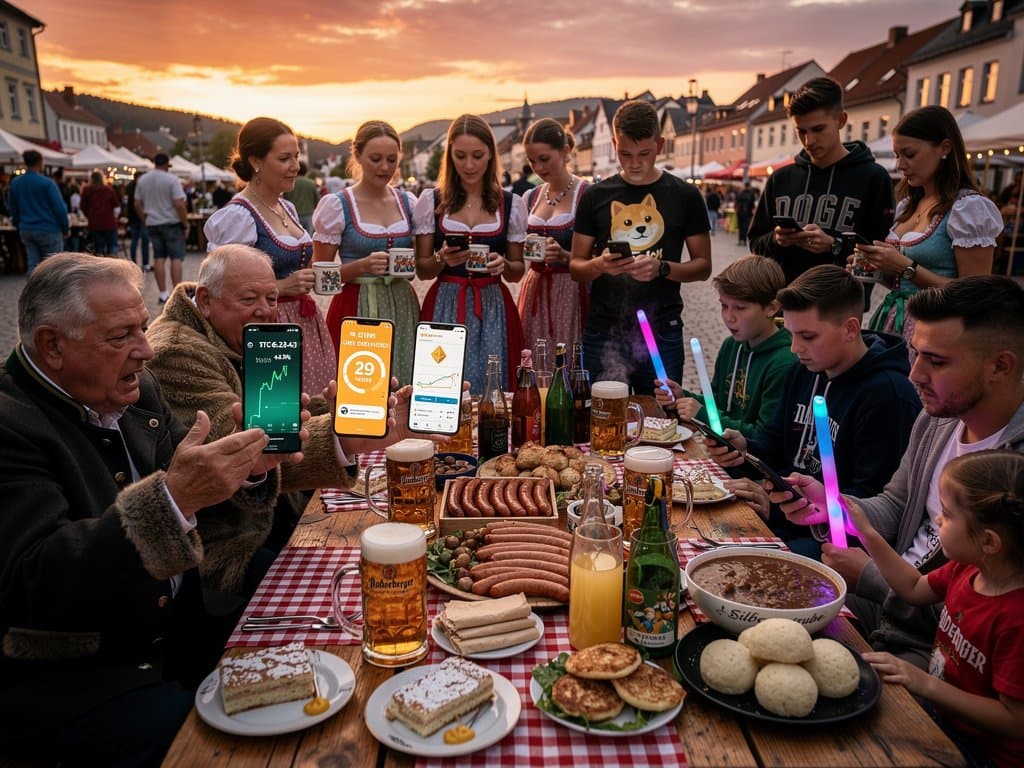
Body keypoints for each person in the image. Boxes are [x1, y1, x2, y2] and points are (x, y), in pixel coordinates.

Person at [0, 253, 291, 765]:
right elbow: (35, 581)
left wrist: (248, 466)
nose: (145, 348)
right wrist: (174, 498)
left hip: (183, 629)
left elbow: (202, 494)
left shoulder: (137, 390)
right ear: (52, 345)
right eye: (121, 337)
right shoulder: (11, 425)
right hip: (85, 678)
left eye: (142, 326)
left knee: (317, 636)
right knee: (234, 751)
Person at [147, 244, 434, 597]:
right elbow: (244, 450)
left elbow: (279, 416)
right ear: (205, 300)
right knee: (361, 584)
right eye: (250, 299)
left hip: (275, 519)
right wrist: (342, 434)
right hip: (228, 550)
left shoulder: (229, 333)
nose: (266, 311)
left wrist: (347, 409)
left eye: (271, 298)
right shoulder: (177, 351)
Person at [775, 275, 1024, 669]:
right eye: (915, 353)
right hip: (883, 607)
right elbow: (895, 503)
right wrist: (834, 506)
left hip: (935, 649)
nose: (915, 375)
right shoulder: (938, 417)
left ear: (1001, 365)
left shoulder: (1013, 472)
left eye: (937, 361)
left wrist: (871, 576)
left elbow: (976, 607)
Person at [708, 265, 920, 557]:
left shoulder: (888, 396)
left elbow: (874, 509)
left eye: (808, 336)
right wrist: (742, 450)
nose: (795, 348)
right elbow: (771, 447)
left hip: (835, 546)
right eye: (792, 333)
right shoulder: (803, 372)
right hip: (785, 518)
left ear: (849, 329)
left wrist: (776, 510)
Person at [847, 450, 1024, 768]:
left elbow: (1014, 720)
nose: (938, 520)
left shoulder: (1015, 619)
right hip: (943, 715)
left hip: (983, 752)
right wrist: (867, 533)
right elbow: (913, 588)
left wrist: (925, 683)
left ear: (989, 541)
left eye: (947, 513)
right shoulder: (966, 569)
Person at [570, 99, 711, 394]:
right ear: (613, 144)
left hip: (661, 329)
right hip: (604, 329)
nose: (634, 163)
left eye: (644, 154)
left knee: (662, 421)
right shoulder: (596, 196)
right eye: (625, 154)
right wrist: (599, 265)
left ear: (660, 145)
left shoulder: (685, 195)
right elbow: (576, 267)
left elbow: (703, 267)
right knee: (601, 421)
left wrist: (662, 268)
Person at [205, 117, 335, 394]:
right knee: (281, 408)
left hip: (305, 323)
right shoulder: (239, 215)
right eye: (285, 158)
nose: (295, 166)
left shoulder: (284, 206)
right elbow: (222, 290)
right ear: (256, 162)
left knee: (317, 407)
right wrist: (283, 287)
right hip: (268, 327)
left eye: (296, 156)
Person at [858, 106, 1003, 345]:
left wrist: (906, 266)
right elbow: (902, 282)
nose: (900, 165)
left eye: (910, 154)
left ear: (944, 148)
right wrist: (876, 269)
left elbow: (975, 292)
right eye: (897, 155)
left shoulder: (968, 209)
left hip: (939, 330)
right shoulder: (908, 206)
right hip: (894, 322)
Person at [413, 114, 527, 393]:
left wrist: (503, 264)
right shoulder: (432, 201)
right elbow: (423, 269)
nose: (469, 164)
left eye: (477, 155)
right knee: (440, 386)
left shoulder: (511, 204)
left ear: (490, 154)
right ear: (449, 156)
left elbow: (517, 271)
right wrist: (442, 259)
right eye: (460, 156)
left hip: (493, 305)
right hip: (445, 304)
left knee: (494, 390)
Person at [748, 77, 894, 286]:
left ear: (841, 121)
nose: (809, 141)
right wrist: (777, 240)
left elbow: (881, 255)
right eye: (801, 131)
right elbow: (755, 242)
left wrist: (834, 245)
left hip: (840, 306)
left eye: (818, 129)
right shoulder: (780, 179)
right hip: (783, 302)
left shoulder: (874, 178)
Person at [312, 120, 420, 385]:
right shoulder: (337, 205)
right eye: (375, 159)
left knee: (403, 385)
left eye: (391, 160)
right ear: (357, 155)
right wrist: (361, 266)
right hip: (355, 304)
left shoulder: (409, 202)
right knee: (361, 389)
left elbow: (422, 261)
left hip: (402, 304)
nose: (384, 167)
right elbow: (320, 279)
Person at [655, 255, 796, 436]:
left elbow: (763, 436)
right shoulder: (731, 346)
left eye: (740, 308)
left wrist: (702, 415)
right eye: (724, 306)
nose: (729, 317)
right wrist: (683, 396)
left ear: (771, 308)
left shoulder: (783, 363)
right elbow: (717, 402)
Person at [516, 118, 590, 354]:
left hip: (572, 292)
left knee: (566, 359)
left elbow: (599, 256)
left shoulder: (587, 194)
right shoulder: (531, 197)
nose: (538, 168)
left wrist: (566, 256)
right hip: (535, 290)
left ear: (565, 152)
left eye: (544, 159)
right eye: (532, 161)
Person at [134, 152, 189, 302]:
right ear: (167, 165)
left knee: (158, 258)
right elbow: (179, 204)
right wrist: (185, 223)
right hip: (171, 223)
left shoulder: (143, 180)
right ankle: (178, 294)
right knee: (176, 258)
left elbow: (137, 204)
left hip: (153, 223)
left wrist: (144, 219)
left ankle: (163, 293)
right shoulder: (172, 180)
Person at [7, 149, 68, 274]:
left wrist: (17, 222)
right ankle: (52, 293)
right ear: (40, 162)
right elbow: (59, 209)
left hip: (27, 228)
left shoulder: (16, 183)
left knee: (33, 265)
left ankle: (33, 291)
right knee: (53, 266)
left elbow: (13, 207)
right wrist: (65, 227)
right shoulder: (47, 183)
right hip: (49, 228)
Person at [80, 170, 121, 256]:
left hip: (94, 223)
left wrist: (89, 215)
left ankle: (101, 268)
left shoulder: (87, 190)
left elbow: (83, 207)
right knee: (112, 250)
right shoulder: (108, 189)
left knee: (98, 250)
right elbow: (116, 206)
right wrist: (115, 217)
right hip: (109, 223)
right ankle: (112, 268)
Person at [283, 160, 320, 235]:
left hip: (293, 215)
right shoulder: (311, 183)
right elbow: (317, 200)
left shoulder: (290, 183)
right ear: (306, 170)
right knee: (308, 238)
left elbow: (284, 200)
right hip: (308, 215)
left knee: (295, 237)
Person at [126, 171, 151, 271]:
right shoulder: (141, 187)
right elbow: (137, 204)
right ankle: (144, 264)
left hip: (133, 218)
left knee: (135, 241)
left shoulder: (129, 187)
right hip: (141, 218)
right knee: (143, 240)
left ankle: (134, 263)